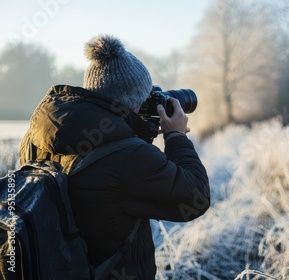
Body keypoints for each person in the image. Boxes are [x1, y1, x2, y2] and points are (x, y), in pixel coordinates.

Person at [19, 34, 210, 279]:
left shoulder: (37, 136)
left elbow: (107, 175)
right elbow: (196, 197)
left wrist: (137, 131)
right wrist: (176, 137)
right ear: (135, 102)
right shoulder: (129, 157)